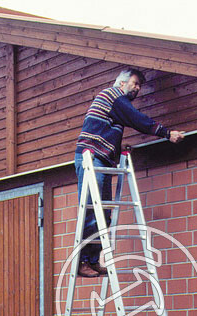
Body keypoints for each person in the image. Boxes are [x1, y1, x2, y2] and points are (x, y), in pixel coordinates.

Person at [74, 67, 185, 277]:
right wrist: (166, 133)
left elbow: (107, 127)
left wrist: (118, 148)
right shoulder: (113, 95)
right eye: (135, 83)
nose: (138, 88)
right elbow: (137, 119)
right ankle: (82, 262)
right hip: (90, 158)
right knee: (92, 212)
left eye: (140, 86)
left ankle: (92, 259)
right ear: (121, 83)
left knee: (103, 212)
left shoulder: (115, 107)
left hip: (100, 158)